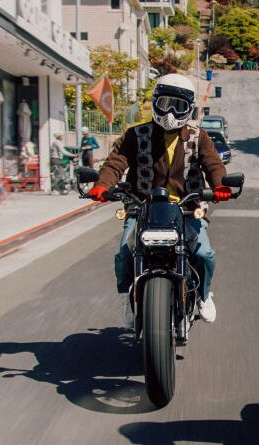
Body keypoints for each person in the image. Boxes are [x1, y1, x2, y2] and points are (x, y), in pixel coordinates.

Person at [87, 73, 231, 326]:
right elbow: (115, 162)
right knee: (123, 254)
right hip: (142, 208)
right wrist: (102, 185)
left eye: (179, 106)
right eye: (165, 104)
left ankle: (205, 295)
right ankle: (127, 301)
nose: (171, 112)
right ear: (155, 102)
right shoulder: (136, 135)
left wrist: (220, 186)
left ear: (189, 109)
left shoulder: (200, 137)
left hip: (187, 208)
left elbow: (213, 164)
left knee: (205, 253)